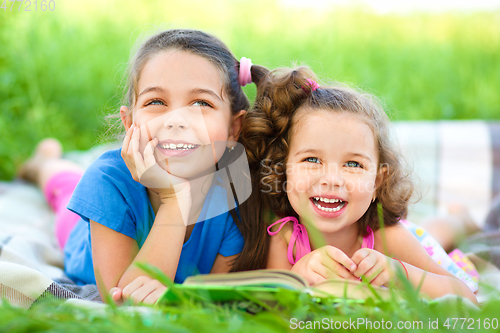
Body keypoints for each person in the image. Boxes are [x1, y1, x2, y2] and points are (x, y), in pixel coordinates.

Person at [18, 29, 268, 305]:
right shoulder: (108, 181)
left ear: (234, 127)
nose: (177, 120)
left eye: (201, 103)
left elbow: (212, 306)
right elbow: (123, 302)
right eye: (156, 102)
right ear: (129, 123)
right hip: (83, 239)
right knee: (65, 191)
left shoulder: (236, 197)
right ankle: (45, 162)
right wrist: (175, 200)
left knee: (69, 185)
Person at [240, 67, 478, 303]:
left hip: (414, 240)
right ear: (284, 170)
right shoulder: (285, 238)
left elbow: (467, 297)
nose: (331, 179)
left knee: (434, 234)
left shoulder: (390, 238)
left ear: (377, 182)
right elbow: (272, 305)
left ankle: (460, 220)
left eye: (353, 164)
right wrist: (299, 273)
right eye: (312, 159)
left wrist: (400, 273)